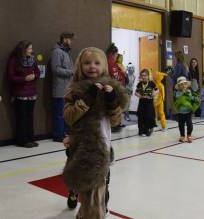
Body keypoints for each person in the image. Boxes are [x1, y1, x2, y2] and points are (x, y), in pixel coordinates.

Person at [62, 47, 128, 219]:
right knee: (92, 192)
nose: (92, 67)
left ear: (104, 66)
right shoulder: (74, 90)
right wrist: (86, 99)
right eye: (87, 63)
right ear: (80, 66)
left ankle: (90, 210)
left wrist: (113, 102)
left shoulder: (110, 88)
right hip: (84, 148)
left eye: (97, 63)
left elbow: (115, 121)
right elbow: (69, 117)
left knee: (100, 190)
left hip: (103, 146)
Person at [8, 40, 40, 148]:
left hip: (31, 92)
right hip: (20, 93)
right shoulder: (14, 60)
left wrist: (34, 76)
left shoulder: (32, 59)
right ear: (23, 49)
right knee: (21, 117)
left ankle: (30, 138)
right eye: (30, 48)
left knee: (30, 116)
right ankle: (22, 140)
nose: (32, 50)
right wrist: (24, 78)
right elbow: (11, 77)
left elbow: (38, 72)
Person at [51, 32, 74, 142]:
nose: (71, 42)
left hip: (68, 89)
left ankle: (65, 133)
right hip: (60, 89)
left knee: (66, 113)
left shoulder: (68, 53)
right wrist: (71, 72)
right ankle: (58, 135)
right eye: (70, 39)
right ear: (64, 39)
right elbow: (56, 69)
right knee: (59, 114)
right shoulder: (57, 52)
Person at [106, 43, 126, 131]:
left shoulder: (112, 63)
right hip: (115, 89)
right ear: (113, 54)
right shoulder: (110, 62)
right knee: (115, 107)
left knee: (117, 107)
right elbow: (116, 76)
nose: (117, 56)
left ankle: (117, 123)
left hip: (115, 88)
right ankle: (115, 124)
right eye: (116, 54)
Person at [174, 76, 199, 143]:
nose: (183, 86)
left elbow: (191, 98)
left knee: (189, 124)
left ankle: (189, 135)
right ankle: (182, 135)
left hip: (188, 111)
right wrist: (183, 93)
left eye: (185, 84)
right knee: (181, 125)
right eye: (181, 84)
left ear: (187, 85)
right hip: (180, 112)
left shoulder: (189, 92)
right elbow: (179, 99)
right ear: (178, 86)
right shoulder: (177, 93)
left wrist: (194, 98)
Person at [135, 69, 158, 136]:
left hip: (149, 102)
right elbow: (136, 92)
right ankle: (141, 130)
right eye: (142, 75)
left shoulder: (151, 83)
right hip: (142, 102)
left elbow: (157, 90)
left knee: (149, 116)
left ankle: (149, 128)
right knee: (141, 116)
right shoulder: (139, 84)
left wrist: (154, 94)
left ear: (148, 76)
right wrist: (138, 95)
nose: (144, 77)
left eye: (145, 75)